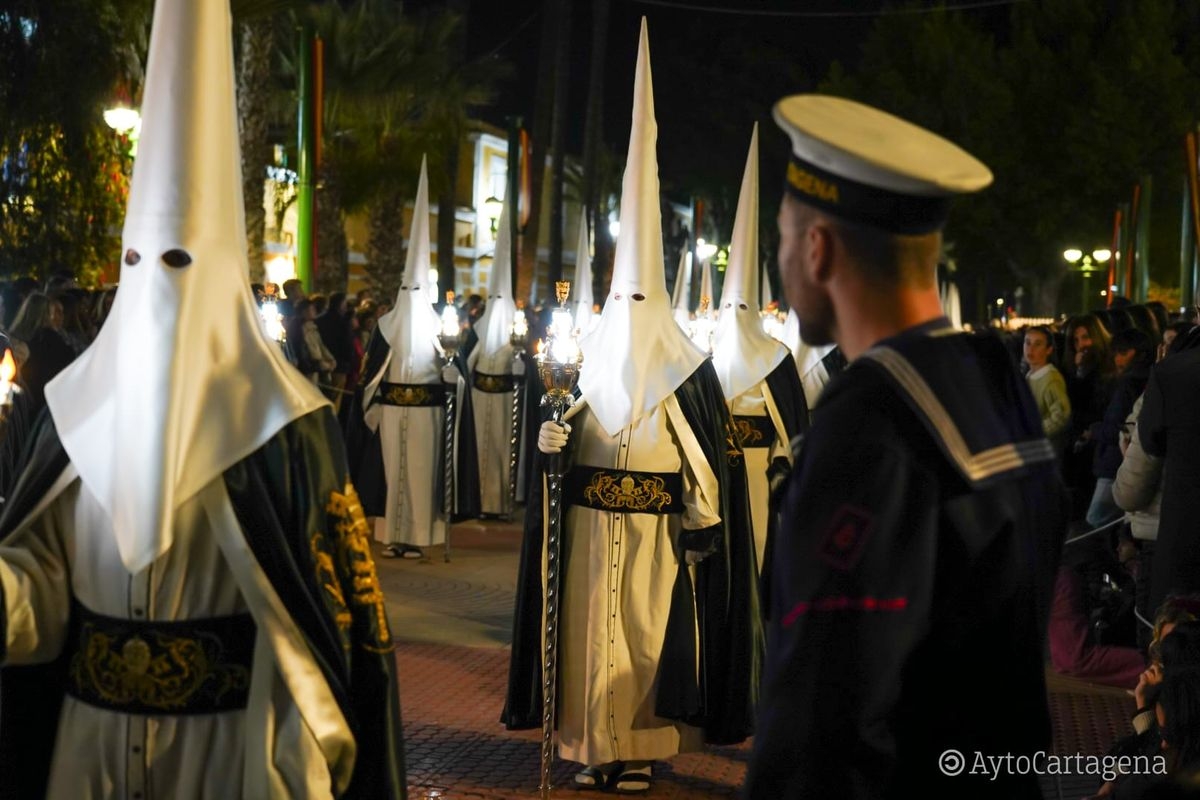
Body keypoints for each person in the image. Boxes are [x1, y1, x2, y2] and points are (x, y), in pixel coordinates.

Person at [0, 3, 406, 797]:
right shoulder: (74, 412)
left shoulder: (282, 430)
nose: (156, 282)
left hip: (232, 756)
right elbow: (38, 593)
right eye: (135, 259)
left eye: (178, 259)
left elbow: (325, 632)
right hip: (86, 754)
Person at [746, 94, 1066, 799]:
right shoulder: (989, 380)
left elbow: (827, 716)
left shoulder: (871, 421)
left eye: (782, 238)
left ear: (817, 247)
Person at [502, 22, 760, 794]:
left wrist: (698, 518)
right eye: (624, 295)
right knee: (589, 638)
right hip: (586, 532)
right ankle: (592, 749)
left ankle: (642, 747)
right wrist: (550, 443)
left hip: (654, 542)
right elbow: (560, 445)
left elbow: (706, 470)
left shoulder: (689, 376)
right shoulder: (584, 372)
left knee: (645, 641)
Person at [344, 157, 478, 560]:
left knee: (420, 476)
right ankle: (393, 536)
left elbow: (453, 373)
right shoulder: (386, 326)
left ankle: (418, 536)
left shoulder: (441, 327)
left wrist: (453, 372)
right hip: (391, 411)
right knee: (392, 474)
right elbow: (371, 375)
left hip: (427, 414)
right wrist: (372, 405)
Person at [709, 124, 807, 579]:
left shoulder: (776, 358)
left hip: (759, 476)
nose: (734, 313)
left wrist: (781, 466)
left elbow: (792, 430)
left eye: (740, 306)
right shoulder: (699, 357)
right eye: (728, 304)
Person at [466, 192, 527, 518]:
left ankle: (501, 503)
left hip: (506, 402)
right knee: (478, 452)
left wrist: (520, 368)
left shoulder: (517, 336)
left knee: (504, 451)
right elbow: (466, 366)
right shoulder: (476, 333)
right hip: (478, 400)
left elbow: (528, 377)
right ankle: (478, 502)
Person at [1024, 324, 1072, 457]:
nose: (1030, 348)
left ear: (1049, 349)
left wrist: (1034, 431)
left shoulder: (1051, 378)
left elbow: (1061, 416)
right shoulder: (1030, 375)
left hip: (1046, 450)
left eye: (1037, 344)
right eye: (1027, 342)